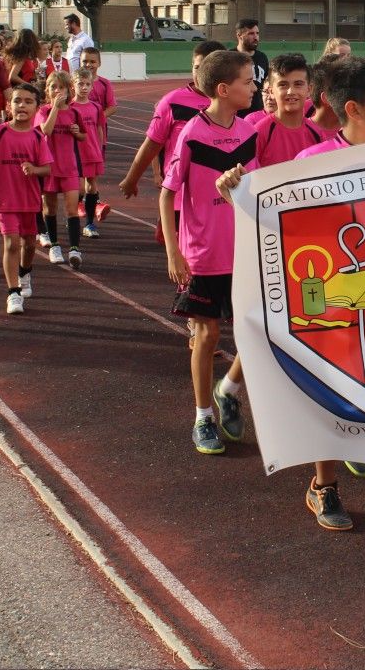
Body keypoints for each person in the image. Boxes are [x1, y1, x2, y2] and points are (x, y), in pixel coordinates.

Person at [221, 56, 365, 551]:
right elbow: (279, 223)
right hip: (335, 308)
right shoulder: (313, 163)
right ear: (353, 108)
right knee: (328, 393)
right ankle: (324, 485)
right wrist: (239, 192)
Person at [159, 50, 258, 456]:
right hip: (202, 254)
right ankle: (203, 417)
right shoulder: (192, 133)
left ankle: (228, 388)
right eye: (248, 81)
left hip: (243, 251)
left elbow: (254, 188)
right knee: (208, 334)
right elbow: (167, 194)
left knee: (257, 333)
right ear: (224, 89)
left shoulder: (248, 131)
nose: (254, 87)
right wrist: (173, 251)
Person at [118, 40, 225, 201]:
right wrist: (131, 179)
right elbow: (152, 144)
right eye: (197, 67)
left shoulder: (231, 101)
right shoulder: (172, 102)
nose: (201, 74)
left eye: (207, 68)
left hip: (219, 197)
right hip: (179, 197)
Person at [0, 83, 53, 314]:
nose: (22, 105)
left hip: (30, 200)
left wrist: (34, 169)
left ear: (36, 108)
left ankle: (25, 272)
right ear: (9, 105)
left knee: (29, 244)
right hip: (6, 200)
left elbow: (47, 168)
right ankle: (13, 293)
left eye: (28, 102)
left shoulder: (37, 137)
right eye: (17, 100)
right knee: (11, 243)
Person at [38, 70, 85, 268]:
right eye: (53, 87)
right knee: (50, 208)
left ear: (68, 90)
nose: (57, 91)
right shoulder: (44, 111)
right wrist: (55, 109)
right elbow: (46, 130)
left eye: (61, 87)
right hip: (49, 167)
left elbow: (83, 136)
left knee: (72, 209)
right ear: (47, 90)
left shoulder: (74, 112)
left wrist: (77, 132)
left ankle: (74, 249)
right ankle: (54, 245)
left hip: (69, 167)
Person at [253, 53, 325, 167]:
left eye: (298, 84)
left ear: (309, 90)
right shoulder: (259, 133)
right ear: (271, 91)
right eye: (283, 85)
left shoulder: (317, 133)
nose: (291, 91)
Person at [69, 70, 107, 240]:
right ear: (73, 85)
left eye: (87, 84)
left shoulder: (96, 107)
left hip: (92, 152)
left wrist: (100, 148)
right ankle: (73, 218)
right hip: (75, 154)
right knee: (76, 188)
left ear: (92, 86)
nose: (84, 87)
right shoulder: (69, 107)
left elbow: (99, 129)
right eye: (80, 84)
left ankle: (89, 224)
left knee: (91, 186)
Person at [233, 18, 269, 114]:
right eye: (251, 33)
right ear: (239, 35)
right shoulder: (229, 56)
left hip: (258, 111)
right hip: (236, 112)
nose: (256, 37)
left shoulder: (262, 57)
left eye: (257, 33)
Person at [6, 28, 43, 95]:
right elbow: (12, 76)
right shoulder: (21, 57)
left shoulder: (24, 56)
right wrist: (29, 85)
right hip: (21, 90)